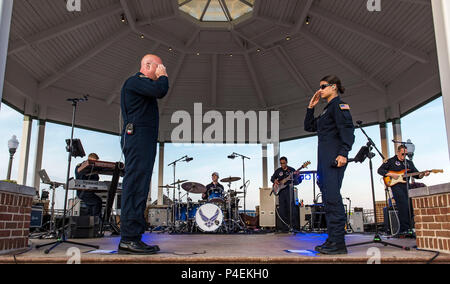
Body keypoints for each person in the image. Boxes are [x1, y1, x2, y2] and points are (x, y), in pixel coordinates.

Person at [119, 54, 169, 255]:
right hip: (137, 138)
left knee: (141, 187)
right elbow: (161, 90)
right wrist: (163, 76)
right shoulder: (135, 82)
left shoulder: (141, 86)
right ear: (148, 65)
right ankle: (129, 238)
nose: (161, 70)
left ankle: (134, 237)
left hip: (144, 140)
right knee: (135, 185)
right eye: (158, 67)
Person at [304, 75, 355, 255]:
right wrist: (311, 107)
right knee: (328, 201)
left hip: (334, 159)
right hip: (324, 161)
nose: (320, 90)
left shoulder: (339, 106)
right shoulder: (326, 110)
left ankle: (339, 243)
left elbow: (348, 130)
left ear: (334, 87)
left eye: (323, 86)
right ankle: (332, 239)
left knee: (333, 199)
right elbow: (309, 126)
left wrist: (344, 152)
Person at [378, 145, 430, 236]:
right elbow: (380, 170)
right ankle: (404, 229)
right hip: (396, 186)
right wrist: (391, 174)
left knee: (410, 206)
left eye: (406, 154)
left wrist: (423, 174)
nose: (404, 156)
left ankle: (410, 228)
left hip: (406, 186)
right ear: (398, 152)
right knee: (403, 205)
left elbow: (417, 175)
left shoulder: (409, 163)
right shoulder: (391, 161)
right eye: (402, 154)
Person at [271, 157, 301, 232]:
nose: (282, 165)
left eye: (283, 163)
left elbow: (297, 182)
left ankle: (294, 227)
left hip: (289, 190)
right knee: (282, 210)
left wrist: (297, 176)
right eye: (281, 163)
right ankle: (284, 227)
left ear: (286, 162)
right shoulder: (278, 171)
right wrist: (275, 181)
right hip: (281, 192)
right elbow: (272, 178)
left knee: (291, 209)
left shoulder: (291, 170)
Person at [74, 153, 102, 218]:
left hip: (88, 192)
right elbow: (81, 179)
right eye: (95, 161)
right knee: (97, 202)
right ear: (90, 159)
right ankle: (96, 222)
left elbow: (96, 178)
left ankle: (91, 222)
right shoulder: (81, 166)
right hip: (83, 192)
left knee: (90, 208)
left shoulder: (93, 167)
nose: (95, 163)